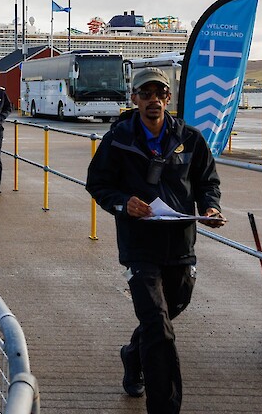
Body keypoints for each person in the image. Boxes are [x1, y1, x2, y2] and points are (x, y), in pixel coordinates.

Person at [85, 67, 226, 414]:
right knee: (159, 330)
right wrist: (123, 203)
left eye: (159, 94)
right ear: (134, 99)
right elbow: (98, 184)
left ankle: (132, 356)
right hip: (139, 245)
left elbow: (207, 181)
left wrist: (210, 206)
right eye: (145, 94)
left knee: (171, 308)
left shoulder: (190, 138)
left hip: (180, 245)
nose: (153, 100)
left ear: (168, 99)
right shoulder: (118, 139)